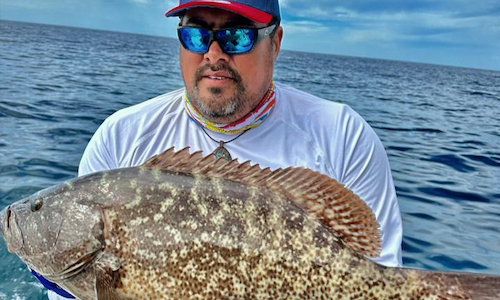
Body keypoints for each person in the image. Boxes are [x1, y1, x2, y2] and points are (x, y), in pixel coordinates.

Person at [47, 0, 402, 299]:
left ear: (275, 43)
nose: (213, 54)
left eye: (236, 36)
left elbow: (382, 275)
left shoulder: (341, 135)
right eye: (196, 34)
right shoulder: (120, 137)